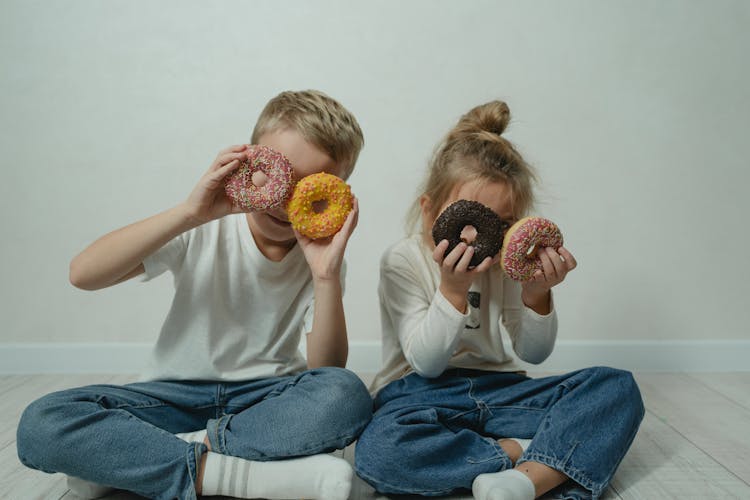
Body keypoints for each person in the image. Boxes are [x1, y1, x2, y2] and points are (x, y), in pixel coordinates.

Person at [16, 90, 373, 500]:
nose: (284, 200)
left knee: (345, 394)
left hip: (264, 402)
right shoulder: (201, 227)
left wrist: (325, 276)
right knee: (42, 421)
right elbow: (83, 274)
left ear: (334, 190)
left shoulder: (323, 258)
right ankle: (234, 473)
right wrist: (189, 213)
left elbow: (326, 370)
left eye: (306, 187)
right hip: (169, 397)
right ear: (249, 162)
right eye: (278, 176)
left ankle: (140, 461)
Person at [354, 100, 644, 500]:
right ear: (429, 211)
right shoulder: (403, 259)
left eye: (501, 223)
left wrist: (537, 294)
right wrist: (453, 290)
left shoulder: (506, 263)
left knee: (616, 388)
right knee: (381, 453)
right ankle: (526, 451)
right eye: (468, 218)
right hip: (417, 394)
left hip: (500, 389)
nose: (480, 237)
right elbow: (427, 362)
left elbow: (534, 354)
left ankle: (522, 483)